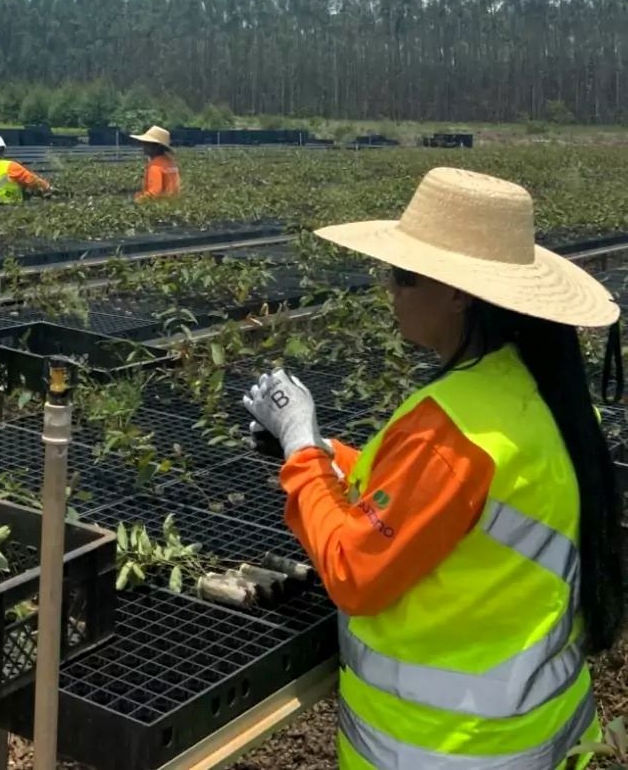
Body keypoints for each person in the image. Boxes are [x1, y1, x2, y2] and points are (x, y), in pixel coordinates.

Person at [242, 167, 621, 769]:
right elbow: (433, 495)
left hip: (448, 748)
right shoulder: (537, 391)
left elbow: (352, 571)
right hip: (538, 729)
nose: (390, 290)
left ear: (459, 293)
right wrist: (317, 447)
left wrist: (302, 454)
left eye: (404, 275)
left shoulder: (453, 430)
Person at [0, 133, 51, 204]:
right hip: (12, 206)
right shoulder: (10, 166)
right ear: (3, 151)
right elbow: (34, 181)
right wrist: (48, 188)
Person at [130, 125, 180, 202]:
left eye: (147, 144)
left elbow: (154, 192)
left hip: (160, 204)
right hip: (173, 203)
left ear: (157, 146)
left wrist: (138, 200)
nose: (143, 146)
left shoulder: (155, 166)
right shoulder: (170, 162)